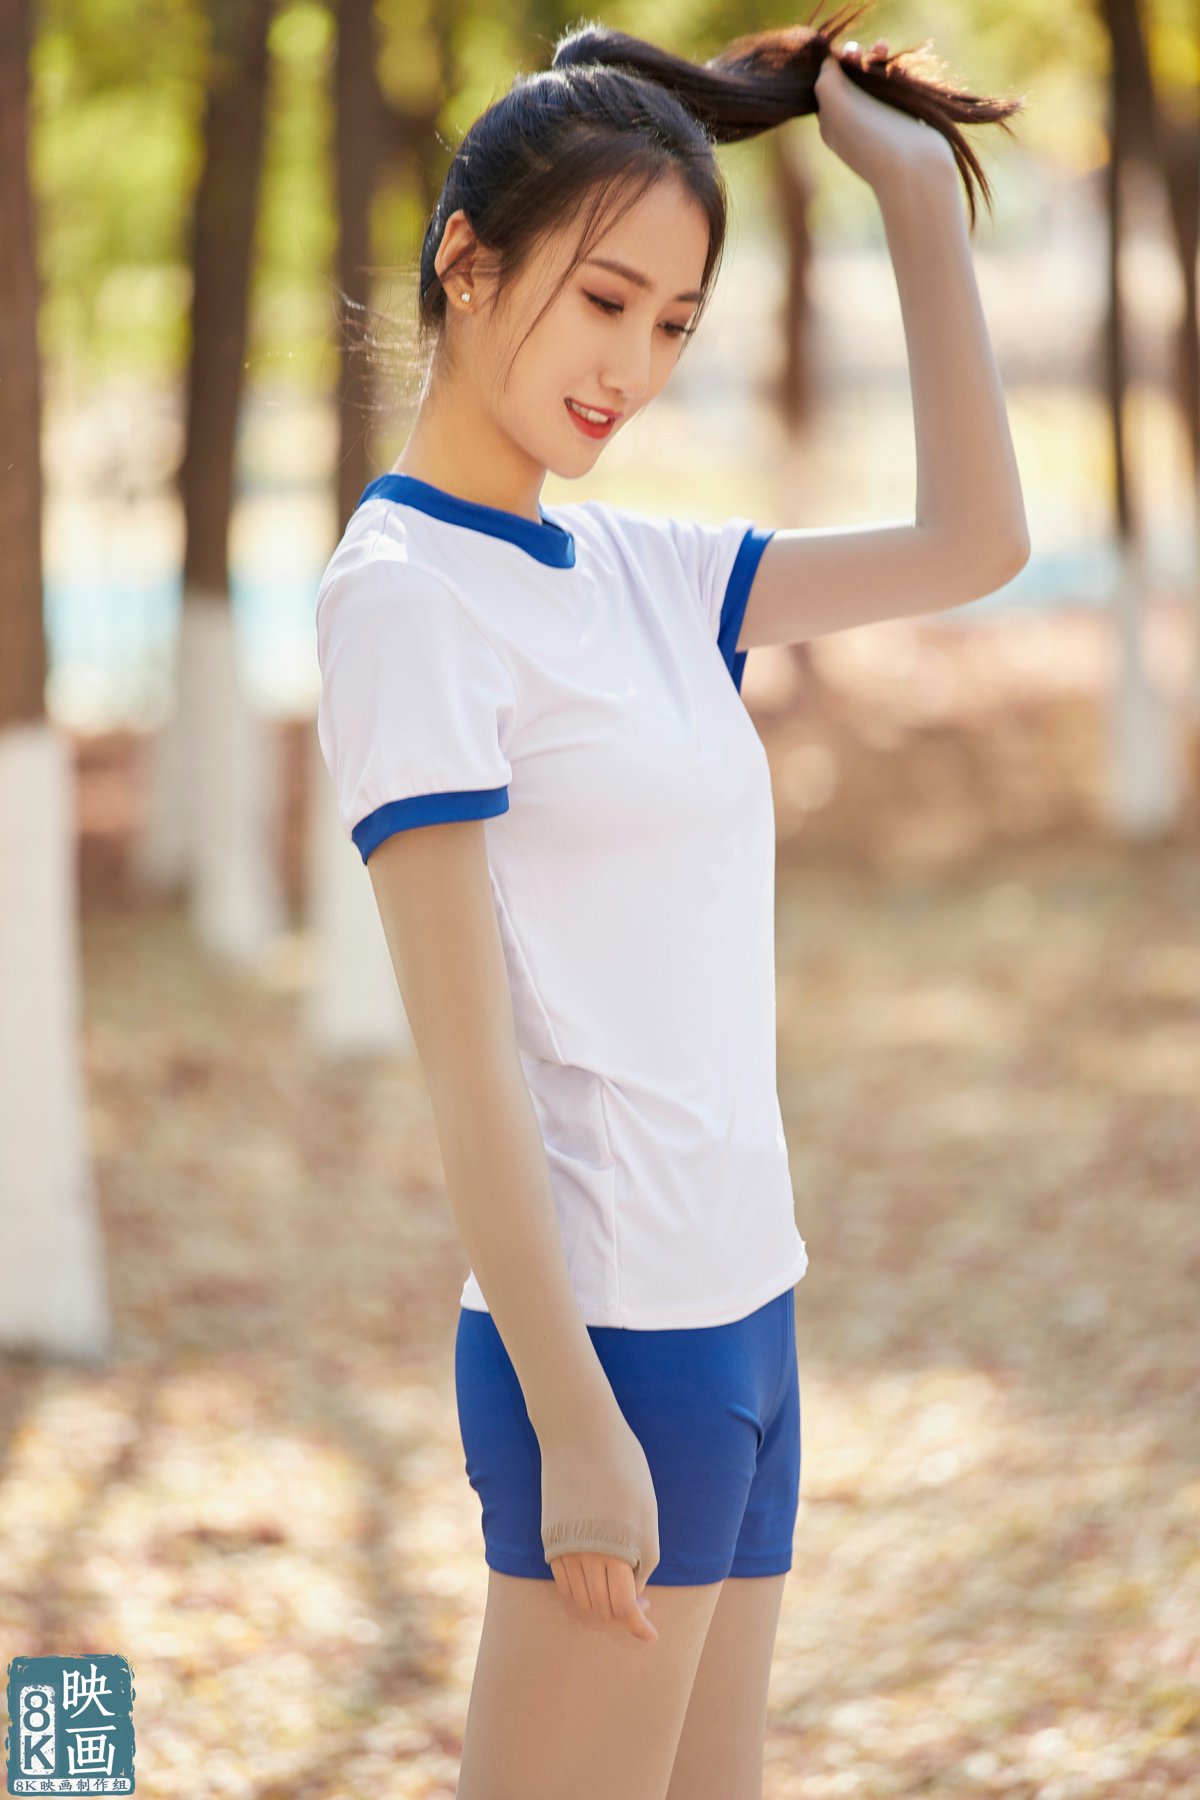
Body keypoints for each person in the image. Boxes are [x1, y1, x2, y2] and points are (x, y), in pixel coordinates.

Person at [314, 13, 1030, 1798]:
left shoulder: (641, 569)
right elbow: (466, 1068)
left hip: (744, 1312)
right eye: (604, 299)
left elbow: (975, 546)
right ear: (465, 265)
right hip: (609, 1346)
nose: (631, 365)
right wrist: (574, 1421)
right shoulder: (406, 598)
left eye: (675, 324)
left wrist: (912, 201)